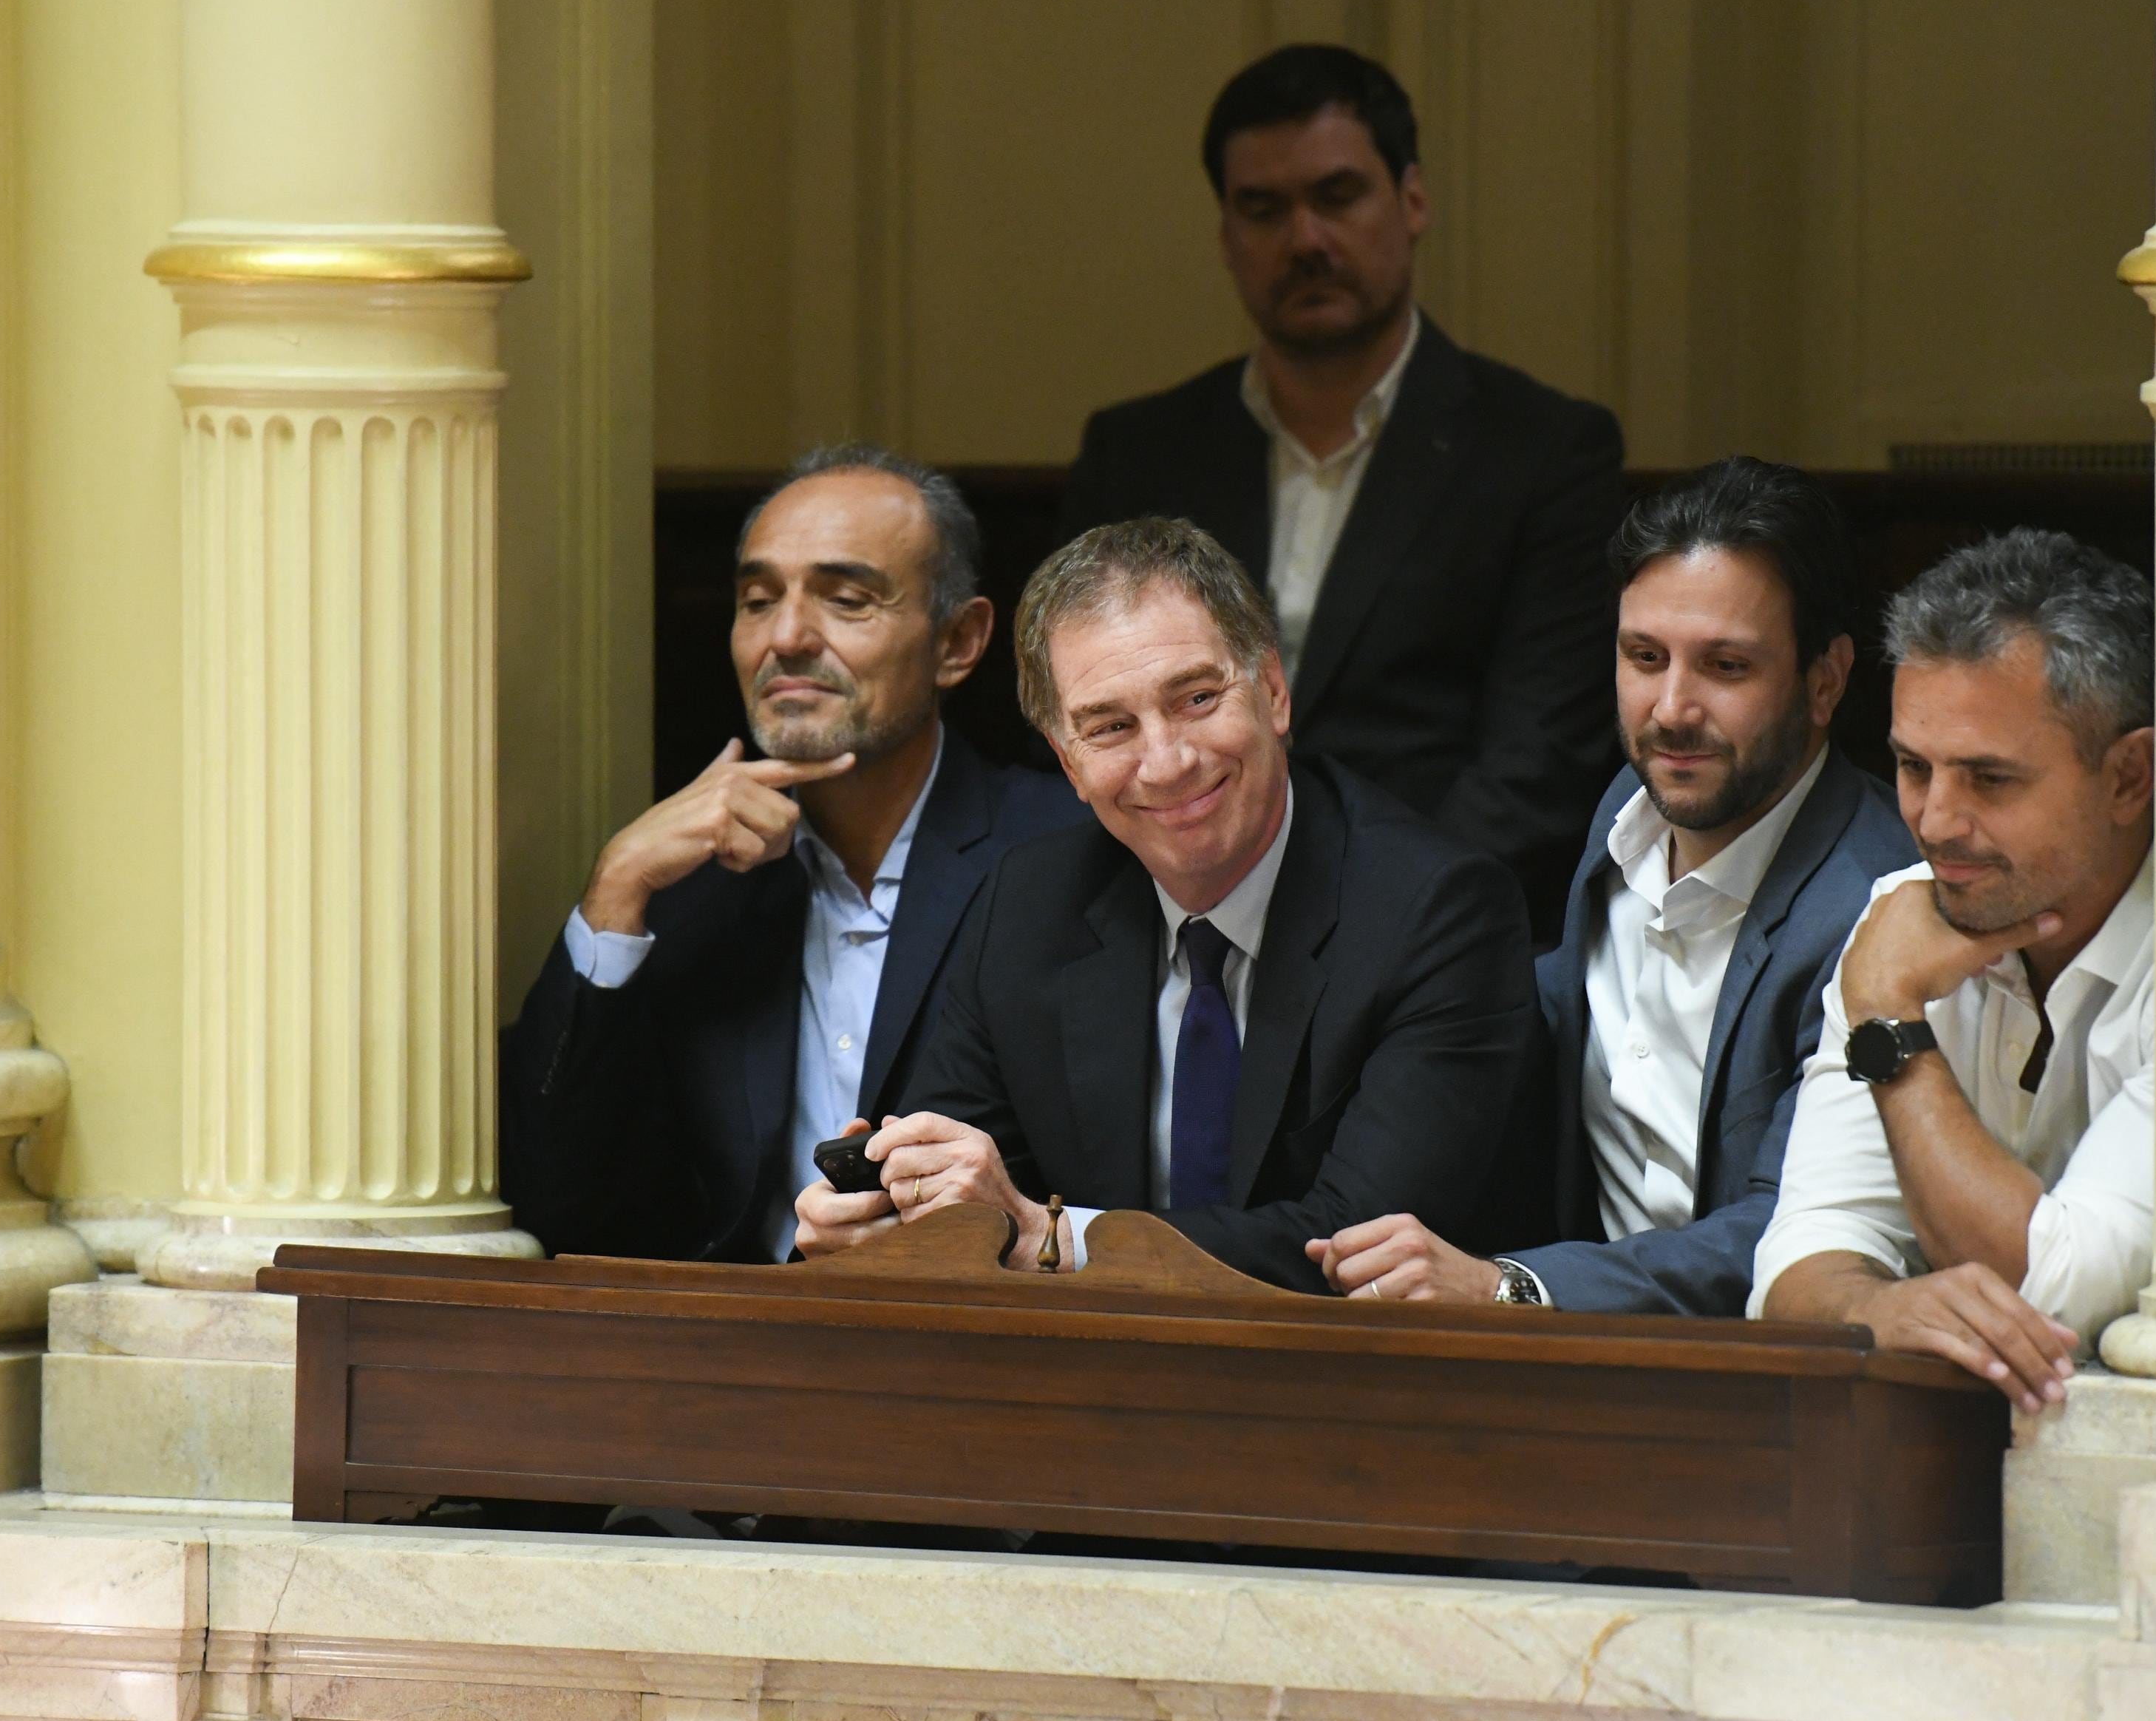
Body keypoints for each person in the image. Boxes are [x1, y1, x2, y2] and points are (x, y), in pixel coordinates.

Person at [789, 517, 1544, 1293]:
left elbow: (1358, 1249)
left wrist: (1045, 1235)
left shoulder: (1436, 912)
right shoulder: (1027, 904)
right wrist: (882, 1216)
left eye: (1195, 697)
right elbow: (960, 1184)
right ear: (1066, 762)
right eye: (1109, 726)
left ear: (1274, 693)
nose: (1166, 761)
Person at [1303, 458, 1919, 1313]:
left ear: (1824, 680)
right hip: (1580, 1347)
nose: (1670, 707)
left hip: (1750, 1381)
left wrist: (1513, 1285)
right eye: (1643, 656)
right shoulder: (1628, 805)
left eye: (1724, 666)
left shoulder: (1880, 906)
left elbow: (1804, 1230)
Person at [1058, 43, 1624, 935]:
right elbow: (1078, 731)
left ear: (1411, 200)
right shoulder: (1138, 454)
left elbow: (1536, 770)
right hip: (1174, 926)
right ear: (1225, 237)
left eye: (1336, 196)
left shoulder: (1544, 451)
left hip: (1432, 932)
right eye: (1262, 209)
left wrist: (1347, 927)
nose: (1305, 241)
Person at [499, 445, 1085, 1264]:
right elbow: (556, 1201)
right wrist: (615, 888)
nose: (786, 636)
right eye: (756, 599)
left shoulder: (1065, 856)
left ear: (958, 640)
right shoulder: (685, 887)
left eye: (846, 599)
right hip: (729, 1361)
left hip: (987, 1354)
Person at [1749, 529, 2156, 1410]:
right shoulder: (1903, 916)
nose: (1933, 821)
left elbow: (2055, 1287)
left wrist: (1889, 1018)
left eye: (1988, 779)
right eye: (1910, 766)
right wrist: (1880, 1307)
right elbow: (1794, 1270)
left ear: (2129, 776)